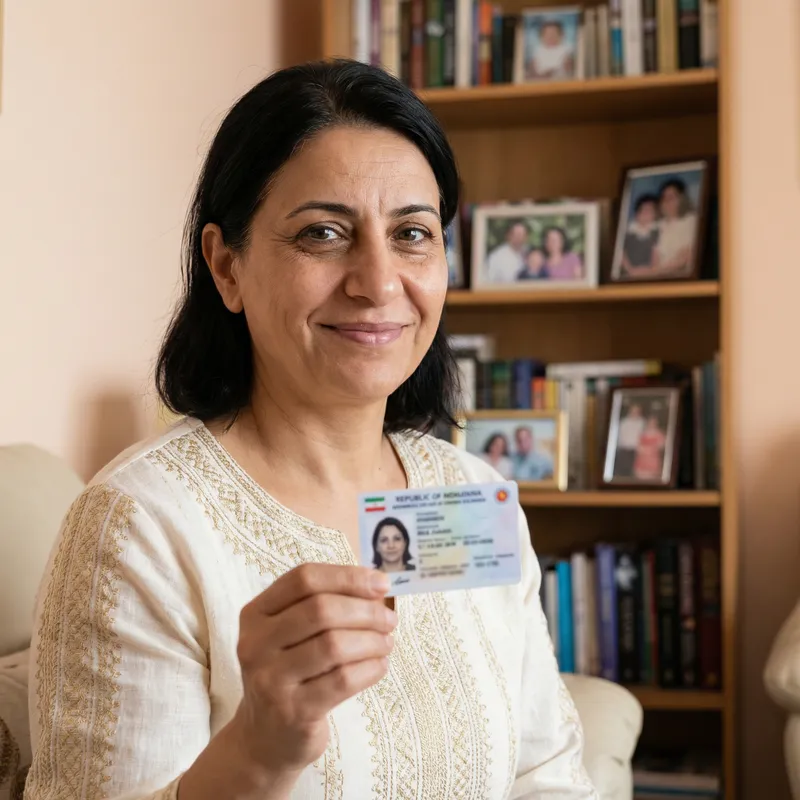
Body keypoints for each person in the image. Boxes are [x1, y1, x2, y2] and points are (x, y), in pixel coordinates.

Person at [25, 59, 597, 800]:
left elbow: (546, 774)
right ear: (225, 266)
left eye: (413, 234)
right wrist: (262, 748)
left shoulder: (468, 493)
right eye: (323, 234)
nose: (379, 282)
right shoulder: (136, 525)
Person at [651, 177, 698, 276]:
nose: (667, 202)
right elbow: (654, 259)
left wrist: (657, 270)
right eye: (664, 198)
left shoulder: (691, 220)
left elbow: (686, 258)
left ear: (682, 199)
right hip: (659, 279)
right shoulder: (657, 226)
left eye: (671, 197)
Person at [620, 194, 660, 276]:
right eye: (642, 210)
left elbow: (655, 255)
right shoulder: (629, 231)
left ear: (655, 215)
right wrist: (630, 269)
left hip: (647, 271)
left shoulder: (655, 231)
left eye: (649, 211)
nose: (645, 214)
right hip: (628, 269)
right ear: (637, 214)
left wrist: (651, 270)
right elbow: (621, 253)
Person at [485, 219, 528, 284]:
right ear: (508, 236)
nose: (519, 238)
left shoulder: (530, 253)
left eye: (522, 235)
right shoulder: (496, 257)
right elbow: (487, 282)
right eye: (517, 235)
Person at [614, 403, 646, 478]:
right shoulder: (623, 422)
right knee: (623, 473)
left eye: (637, 411)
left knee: (636, 474)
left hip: (638, 451)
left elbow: (645, 436)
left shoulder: (642, 423)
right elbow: (619, 436)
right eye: (633, 411)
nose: (635, 413)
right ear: (630, 411)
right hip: (624, 450)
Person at [633, 414, 668, 480]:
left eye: (654, 423)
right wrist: (641, 449)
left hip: (653, 460)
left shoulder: (660, 433)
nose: (652, 424)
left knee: (652, 479)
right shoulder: (643, 433)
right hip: (642, 459)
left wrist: (651, 449)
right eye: (650, 422)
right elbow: (638, 445)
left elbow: (662, 446)